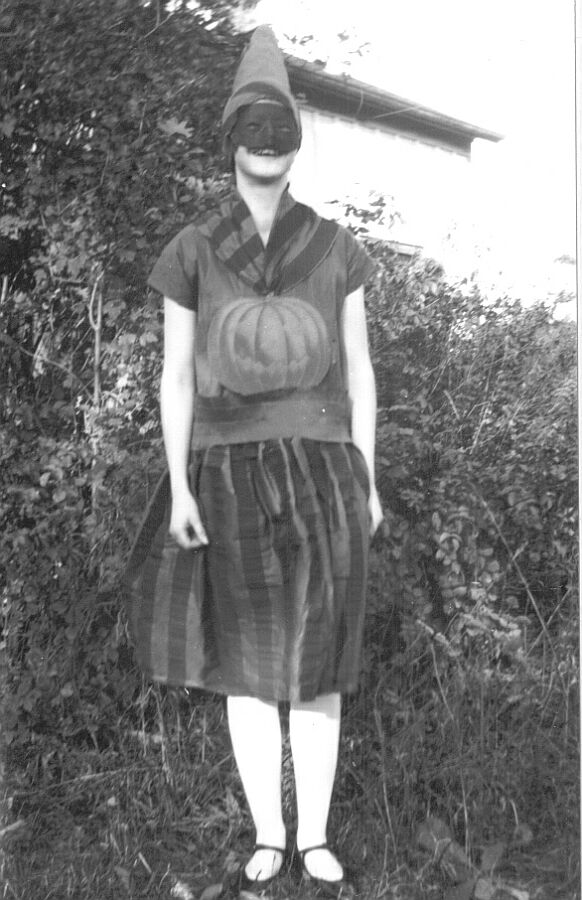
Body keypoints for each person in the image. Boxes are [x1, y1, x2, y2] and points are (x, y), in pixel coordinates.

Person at [125, 25, 382, 896]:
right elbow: (174, 376)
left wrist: (370, 479)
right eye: (252, 129)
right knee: (244, 662)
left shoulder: (337, 247)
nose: (267, 144)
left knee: (317, 659)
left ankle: (313, 837)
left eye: (281, 129)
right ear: (230, 140)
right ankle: (267, 834)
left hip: (323, 470)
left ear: (295, 143)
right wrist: (181, 484)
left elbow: (360, 370)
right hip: (226, 471)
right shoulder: (194, 248)